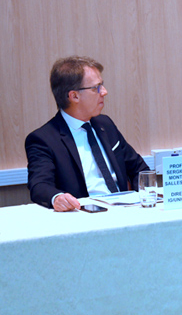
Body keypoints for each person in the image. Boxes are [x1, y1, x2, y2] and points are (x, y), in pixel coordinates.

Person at [25, 56, 150, 212]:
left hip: (126, 212)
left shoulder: (106, 125)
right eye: (96, 88)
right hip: (85, 217)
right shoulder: (43, 139)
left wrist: (148, 196)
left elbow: (140, 169)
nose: (104, 92)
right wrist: (57, 197)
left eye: (102, 85)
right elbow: (40, 185)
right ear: (74, 96)